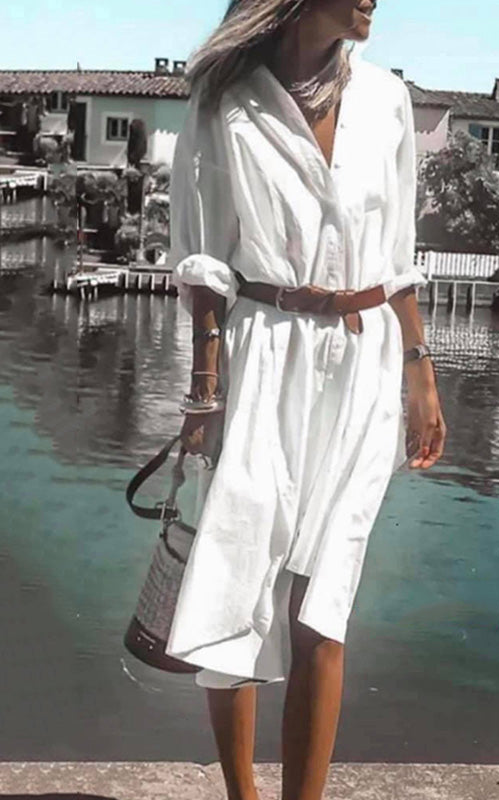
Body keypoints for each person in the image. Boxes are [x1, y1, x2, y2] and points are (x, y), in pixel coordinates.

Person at [165, 1, 447, 798]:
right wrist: (203, 395)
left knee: (327, 595)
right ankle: (243, 795)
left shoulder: (386, 98)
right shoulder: (224, 100)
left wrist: (420, 374)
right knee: (237, 573)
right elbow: (203, 262)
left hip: (366, 357)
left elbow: (397, 252)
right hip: (263, 350)